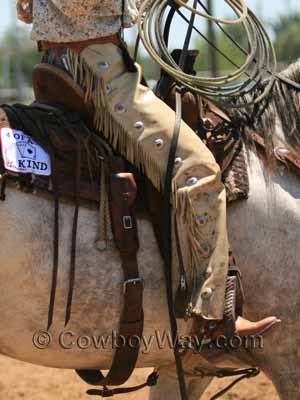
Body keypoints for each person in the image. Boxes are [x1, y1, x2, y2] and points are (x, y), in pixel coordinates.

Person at [16, 0, 279, 338]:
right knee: (199, 172)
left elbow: (26, 10)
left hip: (62, 65)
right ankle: (212, 315)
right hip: (98, 74)